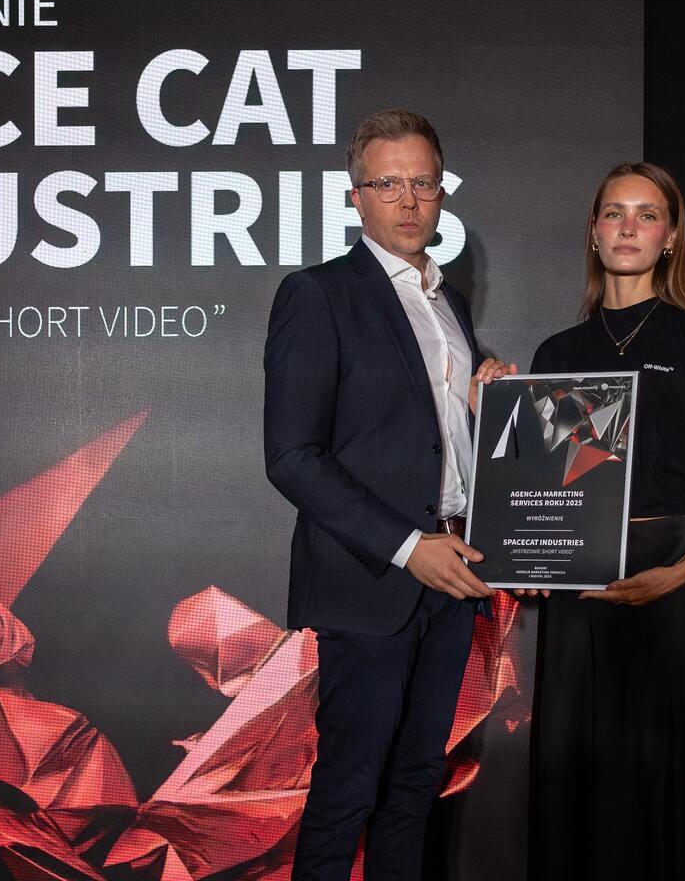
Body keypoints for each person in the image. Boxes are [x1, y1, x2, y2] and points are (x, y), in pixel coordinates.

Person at [263, 108, 516, 881]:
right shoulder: (318, 294)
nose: (408, 200)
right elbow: (292, 457)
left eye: (423, 183)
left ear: (441, 194)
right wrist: (409, 549)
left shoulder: (449, 305)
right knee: (348, 789)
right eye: (388, 184)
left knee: (414, 788)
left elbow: (434, 441)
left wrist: (488, 409)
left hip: (454, 576)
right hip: (371, 582)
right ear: (356, 196)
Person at [524, 161, 685, 881]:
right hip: (578, 586)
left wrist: (682, 572)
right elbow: (548, 488)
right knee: (572, 772)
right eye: (614, 213)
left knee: (656, 778)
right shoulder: (559, 354)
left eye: (647, 214)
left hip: (668, 577)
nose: (628, 227)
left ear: (670, 237)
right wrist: (534, 558)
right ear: (593, 232)